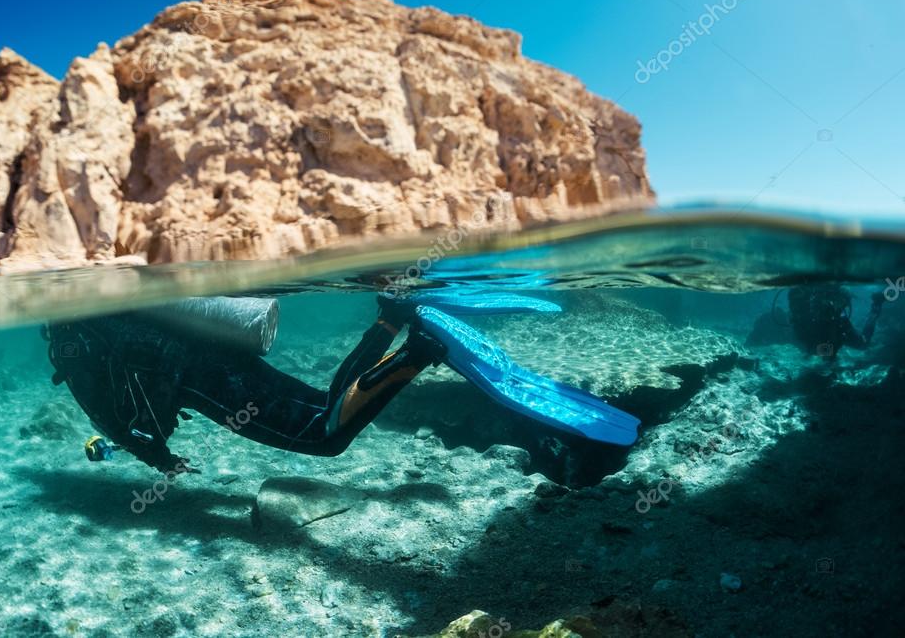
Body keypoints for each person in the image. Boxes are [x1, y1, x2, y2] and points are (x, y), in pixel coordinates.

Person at [45, 293, 641, 473]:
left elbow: (108, 410)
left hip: (204, 378)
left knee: (323, 434)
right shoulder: (106, 316)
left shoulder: (75, 339)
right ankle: (392, 322)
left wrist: (157, 456)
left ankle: (414, 346)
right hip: (218, 359)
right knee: (320, 405)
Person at [786, 285, 885, 358]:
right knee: (862, 344)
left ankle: (876, 306)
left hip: (836, 326)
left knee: (863, 344)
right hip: (822, 332)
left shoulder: (836, 313)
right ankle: (876, 306)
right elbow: (807, 346)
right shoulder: (804, 312)